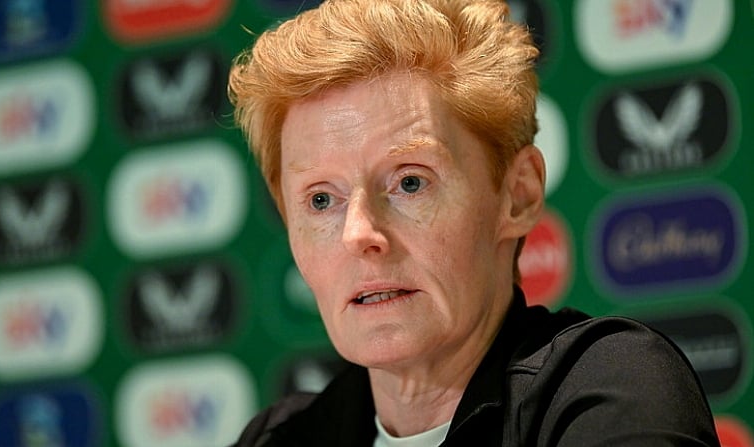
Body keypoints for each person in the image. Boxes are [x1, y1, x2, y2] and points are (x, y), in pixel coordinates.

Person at [227, 0, 720, 445]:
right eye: (319, 200)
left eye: (410, 183)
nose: (358, 233)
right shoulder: (279, 440)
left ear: (518, 194)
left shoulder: (611, 387)